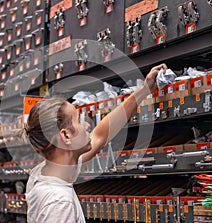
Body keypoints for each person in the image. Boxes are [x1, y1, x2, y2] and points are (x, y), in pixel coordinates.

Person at [19, 64, 167, 222]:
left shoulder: (45, 171)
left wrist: (144, 89)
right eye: (79, 121)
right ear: (66, 136)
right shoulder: (60, 203)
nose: (87, 125)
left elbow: (100, 136)